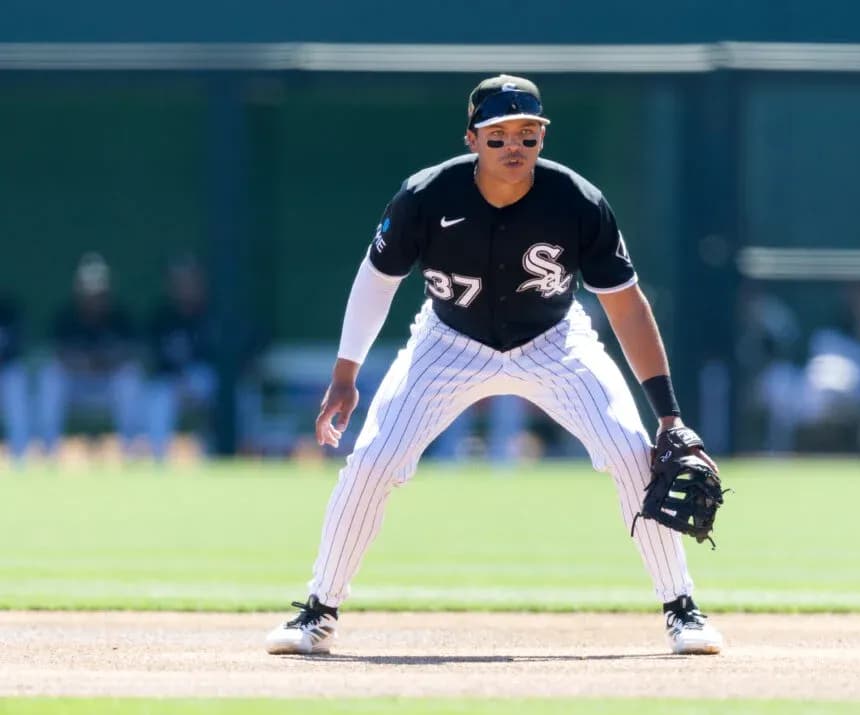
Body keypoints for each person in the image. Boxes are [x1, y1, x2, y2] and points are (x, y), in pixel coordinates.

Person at [265, 75, 723, 656]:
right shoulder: (426, 196)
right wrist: (346, 373)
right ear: (472, 139)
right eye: (499, 134)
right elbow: (376, 281)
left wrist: (668, 416)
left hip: (554, 340)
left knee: (634, 454)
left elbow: (627, 306)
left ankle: (682, 607)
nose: (515, 146)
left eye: (528, 135)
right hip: (448, 341)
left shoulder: (576, 201)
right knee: (375, 460)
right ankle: (318, 611)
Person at [37, 253, 144, 455]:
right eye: (88, 290)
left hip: (108, 385)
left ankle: (131, 450)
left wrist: (101, 363)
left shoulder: (120, 317)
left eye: (98, 291)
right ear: (78, 290)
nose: (93, 296)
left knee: (130, 378)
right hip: (75, 386)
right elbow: (59, 356)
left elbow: (127, 356)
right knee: (50, 377)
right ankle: (49, 451)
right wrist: (84, 364)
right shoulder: (66, 317)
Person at [145, 256, 217, 460]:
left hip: (208, 380)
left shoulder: (216, 313)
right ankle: (158, 460)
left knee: (225, 392)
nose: (185, 287)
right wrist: (179, 381)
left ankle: (219, 457)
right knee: (158, 398)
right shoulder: (161, 317)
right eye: (180, 282)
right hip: (172, 382)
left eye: (190, 281)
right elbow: (154, 361)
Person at [0, 296, 31, 463]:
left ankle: (20, 456)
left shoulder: (7, 310)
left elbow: (17, 348)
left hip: (6, 371)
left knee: (16, 380)